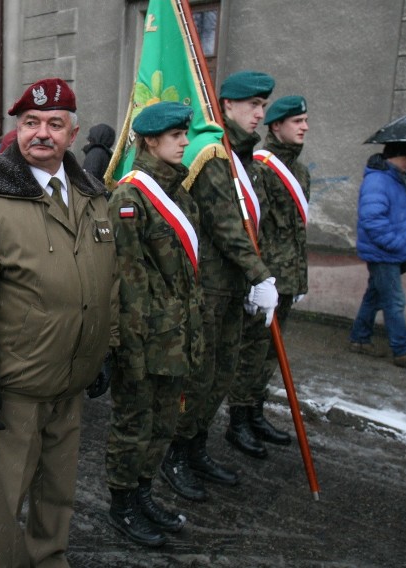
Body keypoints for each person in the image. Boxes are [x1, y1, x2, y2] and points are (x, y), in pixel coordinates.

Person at [0, 78, 118, 567]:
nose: (41, 133)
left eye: (54, 124)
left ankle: (50, 559)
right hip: (18, 380)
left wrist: (105, 348)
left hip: (72, 375)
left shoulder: (92, 195)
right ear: (17, 129)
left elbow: (109, 281)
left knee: (59, 489)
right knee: (9, 495)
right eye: (31, 123)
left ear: (72, 132)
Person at [161, 71, 277, 502]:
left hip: (232, 289)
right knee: (198, 378)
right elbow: (228, 228)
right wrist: (260, 273)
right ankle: (174, 454)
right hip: (207, 289)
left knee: (223, 373)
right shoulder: (212, 154)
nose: (260, 114)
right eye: (252, 105)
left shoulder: (244, 159)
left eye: (263, 105)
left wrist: (251, 277)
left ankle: (196, 448)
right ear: (226, 106)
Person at [105, 102, 202, 547]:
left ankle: (143, 494)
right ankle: (122, 505)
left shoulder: (179, 193)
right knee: (133, 425)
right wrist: (128, 349)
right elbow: (125, 282)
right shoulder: (129, 197)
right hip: (143, 340)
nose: (185, 142)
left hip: (176, 335)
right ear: (148, 140)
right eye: (177, 135)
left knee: (163, 424)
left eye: (185, 134)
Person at [227, 96, 310, 457]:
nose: (304, 127)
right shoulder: (262, 167)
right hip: (266, 280)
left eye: (305, 121)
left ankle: (256, 412)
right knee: (252, 353)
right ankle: (238, 421)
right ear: (276, 127)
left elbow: (296, 232)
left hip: (288, 279)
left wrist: (299, 279)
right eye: (297, 121)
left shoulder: (300, 171)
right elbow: (253, 229)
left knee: (271, 355)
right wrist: (255, 280)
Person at [349, 142, 406, 369]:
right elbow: (372, 220)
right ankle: (402, 349)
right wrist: (396, 245)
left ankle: (359, 339)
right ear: (392, 157)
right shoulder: (378, 180)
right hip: (384, 254)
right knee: (394, 300)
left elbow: (400, 214)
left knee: (373, 297)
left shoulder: (396, 179)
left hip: (392, 253)